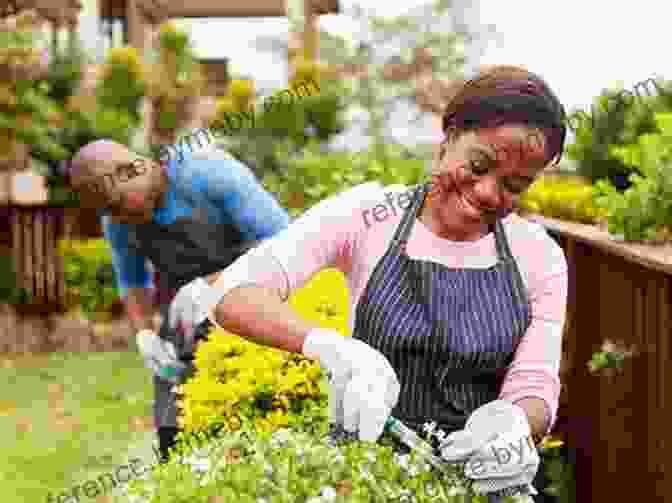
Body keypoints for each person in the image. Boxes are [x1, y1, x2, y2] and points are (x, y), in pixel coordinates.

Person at [170, 65, 569, 498]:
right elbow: (233, 293)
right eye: (479, 164)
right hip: (368, 479)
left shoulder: (539, 256)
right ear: (449, 135)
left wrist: (513, 424)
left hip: (485, 484)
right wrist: (330, 348)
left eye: (515, 184)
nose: (490, 192)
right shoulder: (369, 216)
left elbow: (535, 385)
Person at [66, 140, 290, 462]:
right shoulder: (115, 218)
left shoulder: (208, 173)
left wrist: (210, 287)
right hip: (185, 313)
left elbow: (282, 242)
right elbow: (132, 281)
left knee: (257, 407)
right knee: (174, 423)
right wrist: (144, 333)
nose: (116, 218)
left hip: (260, 292)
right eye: (106, 212)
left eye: (115, 206)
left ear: (132, 170)